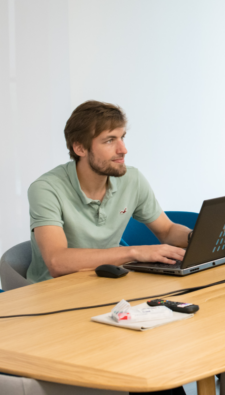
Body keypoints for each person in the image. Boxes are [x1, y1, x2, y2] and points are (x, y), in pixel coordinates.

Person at [27, 101, 190, 284]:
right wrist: (134, 252)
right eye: (110, 140)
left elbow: (167, 230)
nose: (123, 150)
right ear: (80, 148)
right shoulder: (46, 189)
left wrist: (197, 238)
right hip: (53, 292)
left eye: (122, 138)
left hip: (107, 283)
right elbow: (57, 261)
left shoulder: (132, 179)